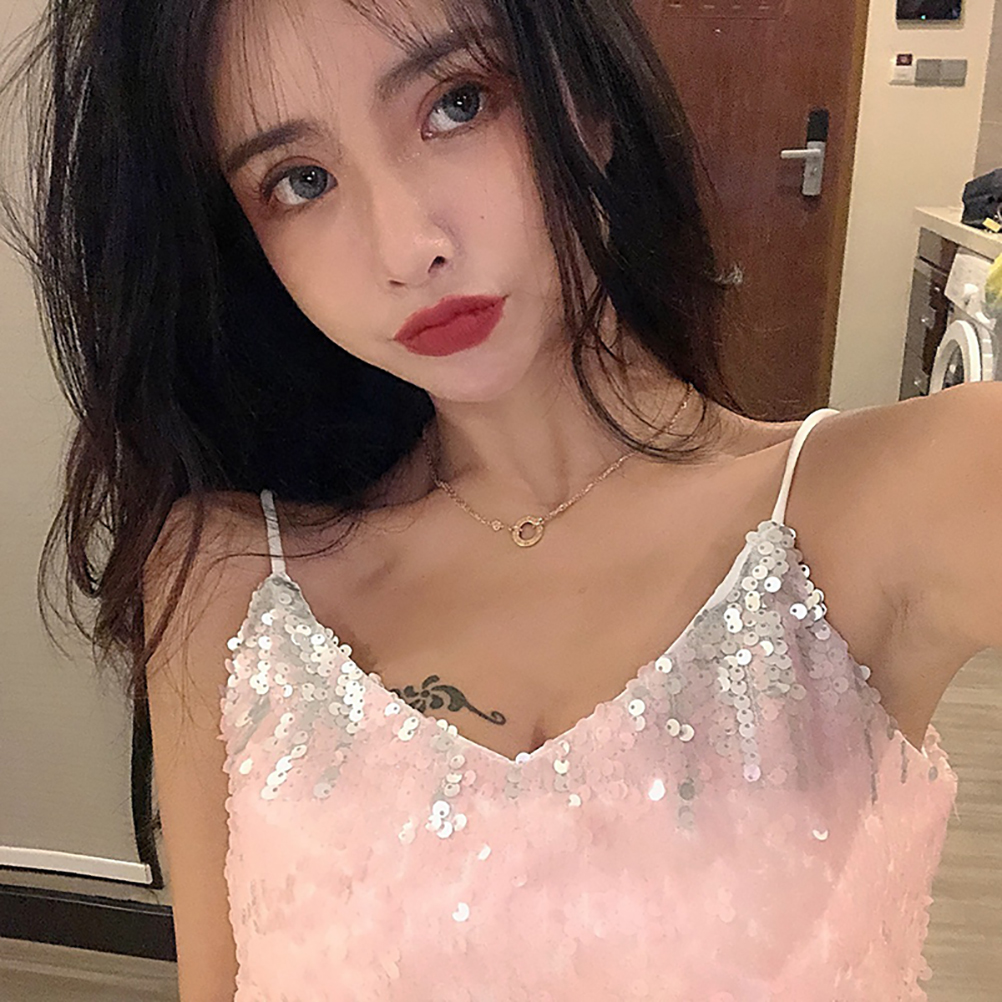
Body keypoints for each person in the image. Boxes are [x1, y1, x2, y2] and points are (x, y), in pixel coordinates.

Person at [1, 0, 999, 999]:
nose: (406, 247)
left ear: (591, 99)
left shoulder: (900, 498)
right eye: (301, 180)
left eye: (459, 103)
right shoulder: (229, 573)